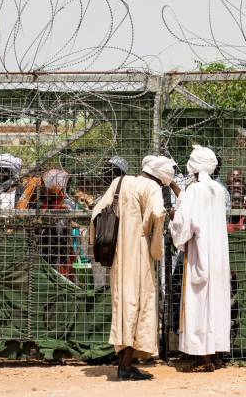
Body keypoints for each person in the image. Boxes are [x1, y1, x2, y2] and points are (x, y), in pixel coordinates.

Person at [90, 155, 175, 381]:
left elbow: (97, 210)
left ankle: (125, 362)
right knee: (137, 304)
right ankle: (125, 366)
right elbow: (158, 213)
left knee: (123, 303)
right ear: (161, 178)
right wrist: (150, 235)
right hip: (138, 252)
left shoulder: (121, 182)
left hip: (118, 253)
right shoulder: (152, 188)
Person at [169, 145, 231, 372]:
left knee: (199, 301)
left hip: (200, 253)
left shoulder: (194, 190)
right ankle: (214, 354)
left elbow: (184, 226)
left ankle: (203, 357)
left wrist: (172, 220)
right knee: (216, 302)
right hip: (219, 256)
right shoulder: (218, 190)